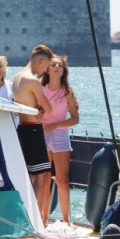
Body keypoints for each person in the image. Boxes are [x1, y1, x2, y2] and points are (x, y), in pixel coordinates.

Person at [12, 44, 54, 220]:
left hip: (22, 128)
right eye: (46, 67)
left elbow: (18, 107)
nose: (45, 72)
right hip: (32, 129)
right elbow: (49, 108)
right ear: (41, 60)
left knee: (31, 174)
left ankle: (29, 215)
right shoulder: (32, 80)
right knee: (42, 176)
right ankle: (35, 218)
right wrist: (41, 109)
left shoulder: (16, 78)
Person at [40, 55, 80, 226]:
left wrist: (57, 125)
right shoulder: (40, 89)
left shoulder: (67, 92)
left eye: (60, 65)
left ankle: (66, 220)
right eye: (53, 64)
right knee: (45, 178)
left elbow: (75, 119)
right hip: (42, 134)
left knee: (62, 179)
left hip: (60, 134)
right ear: (47, 69)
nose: (56, 67)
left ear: (63, 70)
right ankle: (44, 219)